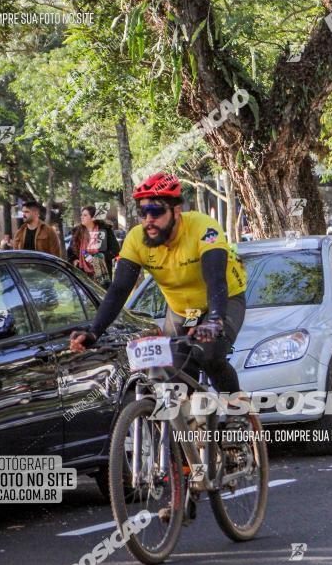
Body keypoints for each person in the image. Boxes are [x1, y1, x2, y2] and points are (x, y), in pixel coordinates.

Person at [70, 172, 247, 412]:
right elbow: (119, 289)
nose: (148, 219)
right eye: (144, 213)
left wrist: (214, 321)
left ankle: (238, 409)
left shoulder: (203, 228)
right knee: (173, 370)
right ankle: (193, 431)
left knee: (209, 354)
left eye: (156, 212)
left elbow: (215, 279)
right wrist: (93, 332)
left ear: (176, 211)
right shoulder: (137, 239)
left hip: (223, 299)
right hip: (181, 309)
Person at [67, 206, 120, 286]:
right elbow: (70, 251)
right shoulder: (78, 232)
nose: (82, 217)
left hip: (101, 270)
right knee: (85, 295)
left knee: (102, 295)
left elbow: (115, 249)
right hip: (82, 270)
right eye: (82, 215)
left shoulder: (104, 230)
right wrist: (74, 261)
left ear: (92, 218)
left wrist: (101, 258)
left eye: (85, 215)